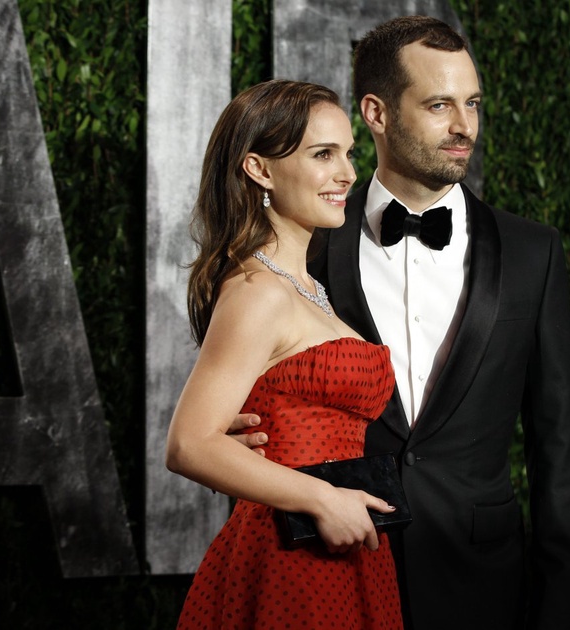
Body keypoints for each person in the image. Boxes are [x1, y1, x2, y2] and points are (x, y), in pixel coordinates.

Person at [235, 15, 570, 630]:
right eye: (439, 104)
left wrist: (560, 606)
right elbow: (235, 410)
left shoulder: (534, 253)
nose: (464, 127)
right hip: (331, 572)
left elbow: (559, 449)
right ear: (376, 113)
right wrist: (248, 435)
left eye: (472, 103)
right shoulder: (304, 250)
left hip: (483, 583)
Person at [166, 79, 404, 629]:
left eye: (348, 153)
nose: (347, 173)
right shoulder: (257, 291)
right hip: (290, 558)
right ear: (260, 169)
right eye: (323, 155)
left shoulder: (305, 287)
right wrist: (322, 499)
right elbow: (188, 444)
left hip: (342, 547)